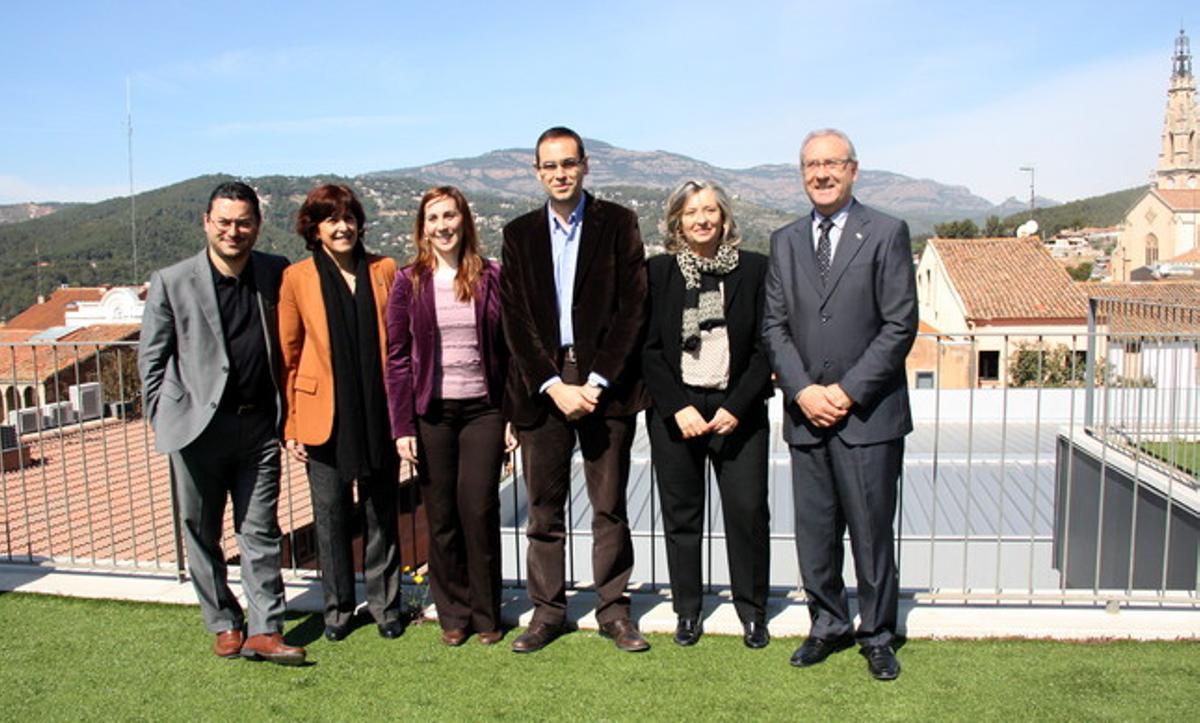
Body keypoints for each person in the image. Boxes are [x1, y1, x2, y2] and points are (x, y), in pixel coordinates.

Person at [762, 129, 918, 680]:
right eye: (811, 165)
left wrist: (847, 392)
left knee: (872, 531)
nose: (821, 174)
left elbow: (901, 324)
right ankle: (826, 624)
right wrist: (803, 390)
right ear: (801, 173)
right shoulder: (784, 241)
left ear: (853, 169)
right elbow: (774, 326)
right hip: (806, 414)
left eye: (831, 163)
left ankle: (877, 633)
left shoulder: (887, 232)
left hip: (868, 416)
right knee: (816, 531)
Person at [138, 181, 305, 665]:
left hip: (259, 430)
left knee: (259, 531)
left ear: (257, 225)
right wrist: (163, 417)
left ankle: (265, 628)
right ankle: (223, 622)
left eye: (244, 222)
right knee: (201, 530)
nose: (234, 231)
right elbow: (152, 362)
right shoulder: (173, 281)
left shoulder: (275, 272)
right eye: (225, 222)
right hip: (196, 431)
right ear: (207, 223)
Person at [500, 126, 650, 653]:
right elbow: (515, 320)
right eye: (550, 166)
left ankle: (614, 610)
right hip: (542, 389)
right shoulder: (518, 235)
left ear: (585, 165)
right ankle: (547, 613)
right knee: (544, 508)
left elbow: (634, 309)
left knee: (609, 506)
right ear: (538, 172)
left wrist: (595, 381)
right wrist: (552, 384)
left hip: (606, 387)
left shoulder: (618, 223)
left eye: (569, 163)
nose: (560, 173)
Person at [642, 180, 773, 649]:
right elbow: (649, 349)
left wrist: (737, 407)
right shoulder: (657, 272)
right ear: (677, 220)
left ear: (725, 218)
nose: (701, 219)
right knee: (682, 516)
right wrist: (677, 407)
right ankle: (688, 611)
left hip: (739, 411)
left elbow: (765, 346)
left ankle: (752, 612)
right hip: (676, 413)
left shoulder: (756, 269)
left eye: (710, 211)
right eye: (692, 212)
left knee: (748, 512)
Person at [384, 186, 515, 647]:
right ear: (423, 228)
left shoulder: (493, 276)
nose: (442, 226)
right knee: (440, 516)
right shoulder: (409, 281)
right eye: (433, 218)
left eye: (449, 216)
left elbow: (510, 351)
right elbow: (397, 357)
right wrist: (402, 426)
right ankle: (453, 615)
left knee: (478, 509)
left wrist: (512, 416)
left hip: (485, 410)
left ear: (464, 221)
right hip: (431, 414)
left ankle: (487, 613)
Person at [278, 183, 405, 641]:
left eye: (349, 217)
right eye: (331, 218)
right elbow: (289, 354)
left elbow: (401, 342)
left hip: (378, 411)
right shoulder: (297, 278)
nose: (342, 226)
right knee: (330, 517)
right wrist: (291, 422)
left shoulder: (384, 269)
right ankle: (336, 611)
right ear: (314, 228)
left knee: (380, 513)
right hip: (322, 416)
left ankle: (386, 605)